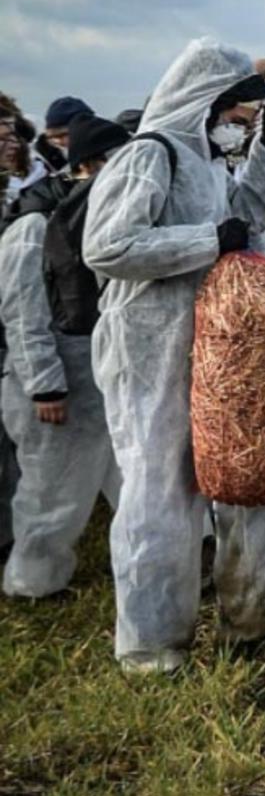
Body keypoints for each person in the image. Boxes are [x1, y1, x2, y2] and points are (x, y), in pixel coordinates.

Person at [83, 38, 265, 671]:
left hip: (206, 343)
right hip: (146, 345)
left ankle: (247, 618)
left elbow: (250, 216)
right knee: (160, 490)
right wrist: (207, 240)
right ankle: (151, 646)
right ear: (206, 101)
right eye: (239, 118)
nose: (240, 128)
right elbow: (108, 245)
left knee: (233, 476)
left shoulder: (206, 161)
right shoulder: (150, 155)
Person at [1, 114, 128, 597]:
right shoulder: (35, 223)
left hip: (92, 376)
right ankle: (32, 585)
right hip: (52, 386)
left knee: (118, 475)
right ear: (88, 165)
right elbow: (22, 311)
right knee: (52, 493)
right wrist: (45, 385)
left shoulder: (88, 214)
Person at [36, 97, 94, 175]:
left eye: (64, 135)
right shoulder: (44, 160)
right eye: (52, 137)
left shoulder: (110, 156)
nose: (58, 141)